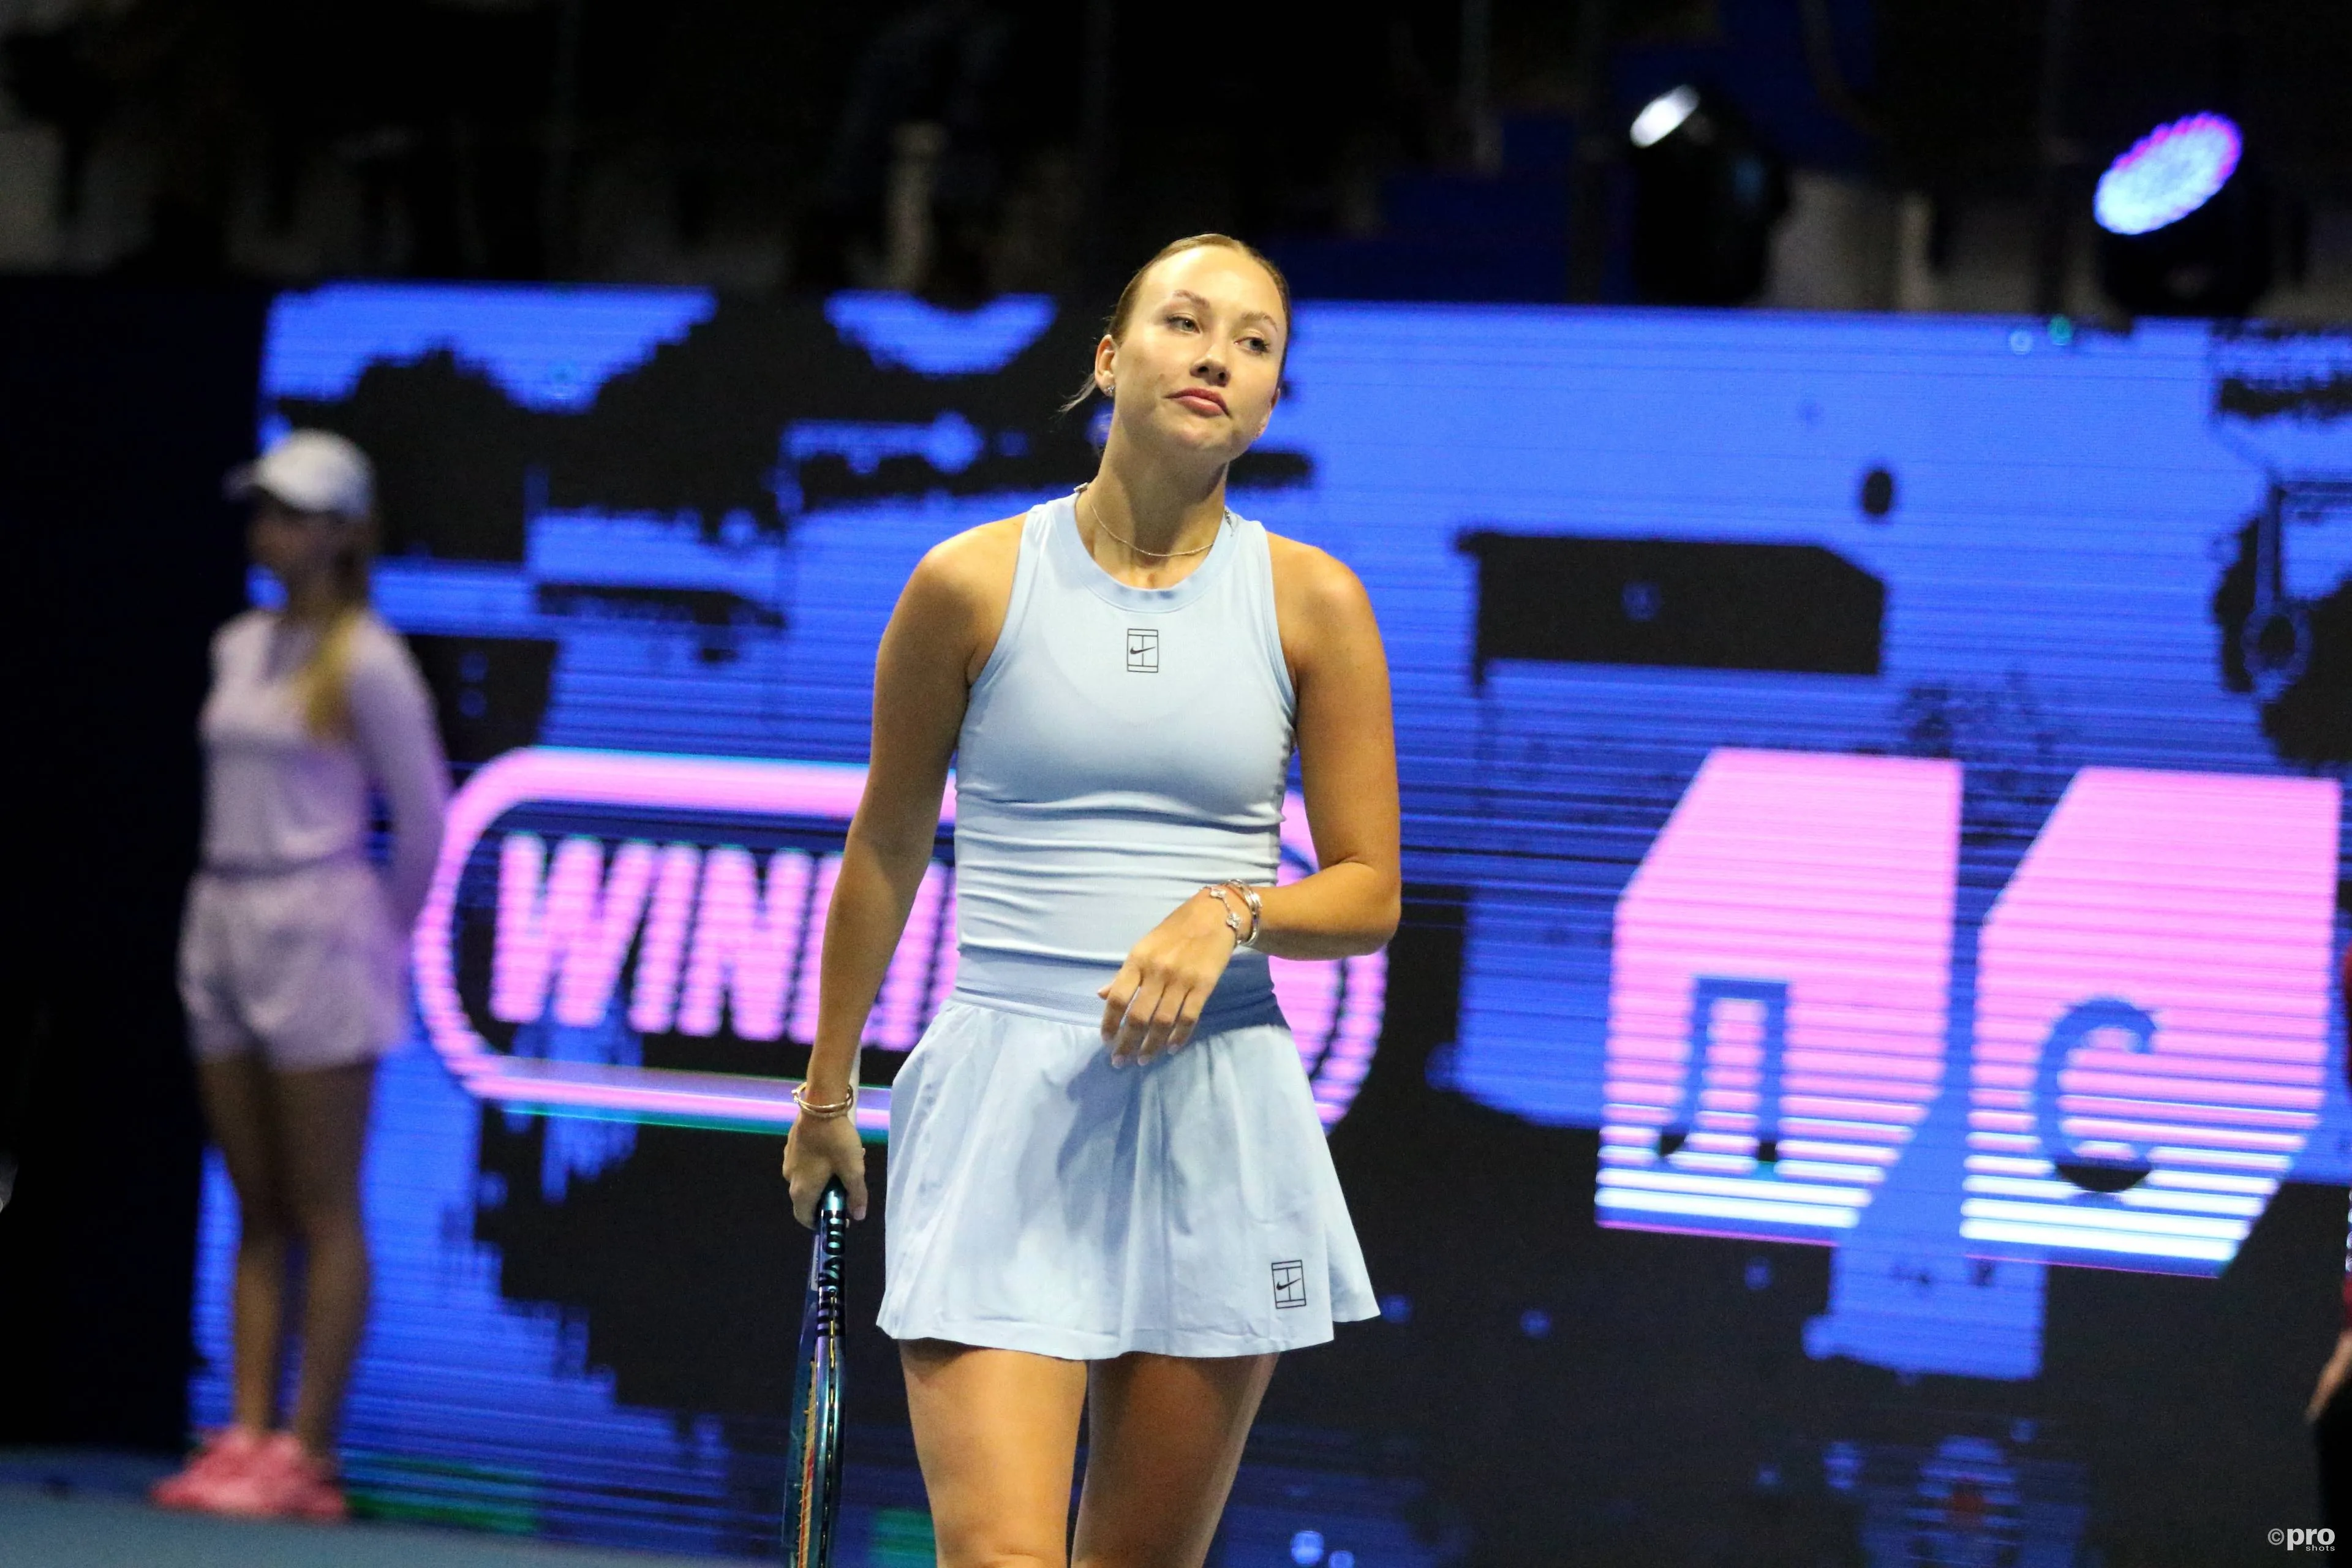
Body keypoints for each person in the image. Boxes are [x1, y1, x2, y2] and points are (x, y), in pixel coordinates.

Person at [783, 233, 1399, 1566]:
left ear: (1269, 400)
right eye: (1187, 323)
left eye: (1254, 343)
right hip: (1007, 1104)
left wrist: (1234, 906)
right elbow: (886, 842)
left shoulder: (1316, 605)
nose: (1217, 358)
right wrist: (827, 1091)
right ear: (1113, 359)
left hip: (1218, 1111)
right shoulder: (966, 583)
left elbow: (1366, 892)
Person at [151, 429, 448, 1521]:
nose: (270, 530)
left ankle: (305, 1453)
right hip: (221, 920)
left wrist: (378, 936)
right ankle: (241, 1432)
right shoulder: (239, 645)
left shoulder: (368, 658)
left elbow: (424, 820)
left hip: (321, 927)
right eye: (264, 509)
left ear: (344, 532)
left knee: (323, 1205)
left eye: (292, 511)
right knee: (254, 1203)